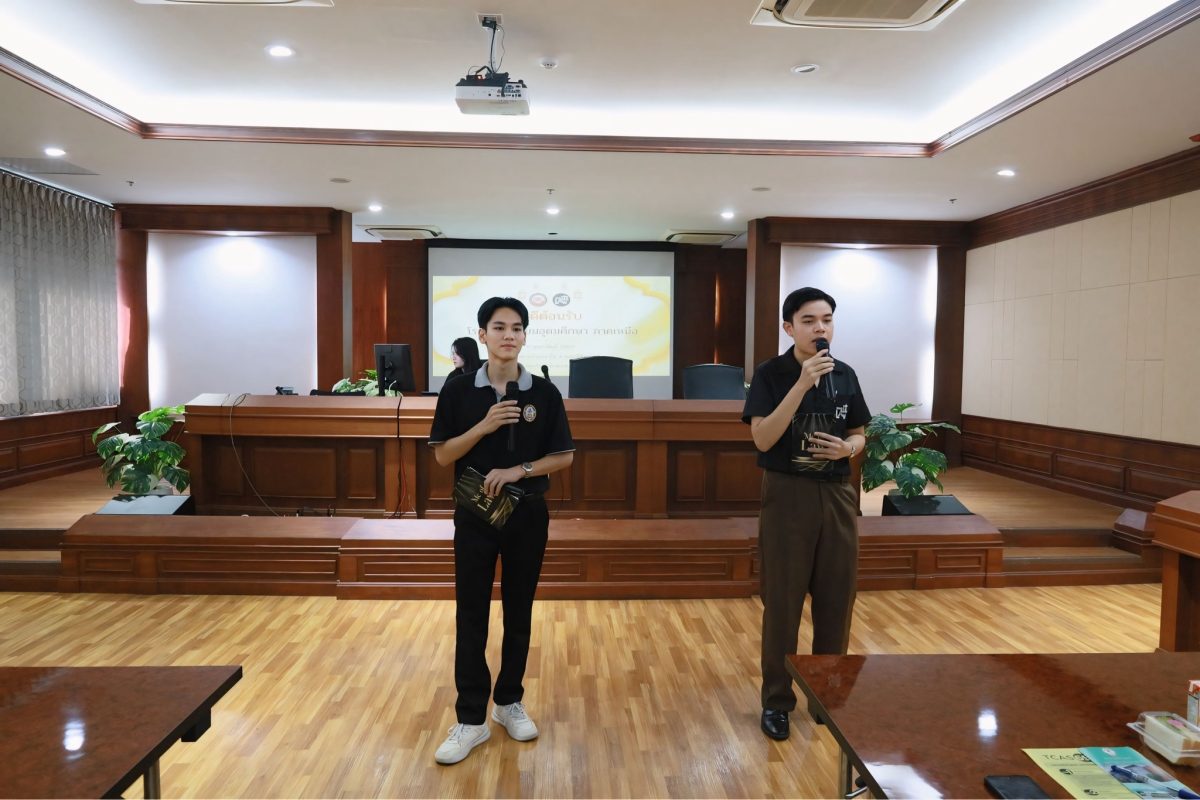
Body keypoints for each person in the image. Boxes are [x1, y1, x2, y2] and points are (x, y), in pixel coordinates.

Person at [427, 296, 575, 765]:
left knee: (519, 609)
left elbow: (564, 456)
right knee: (471, 613)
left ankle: (509, 701)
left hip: (526, 515)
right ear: (482, 334)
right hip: (474, 515)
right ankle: (471, 718)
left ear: (525, 336)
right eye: (499, 327)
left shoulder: (544, 393)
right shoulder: (457, 390)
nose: (508, 335)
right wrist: (483, 426)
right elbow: (443, 455)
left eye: (516, 328)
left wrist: (519, 470)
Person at [741, 286, 870, 741]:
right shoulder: (771, 374)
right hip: (787, 494)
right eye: (810, 321)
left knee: (837, 599)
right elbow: (762, 438)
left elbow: (859, 432)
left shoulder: (845, 374)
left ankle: (826, 697)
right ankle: (777, 701)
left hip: (836, 493)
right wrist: (801, 384)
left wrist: (847, 448)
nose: (821, 329)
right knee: (783, 603)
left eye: (827, 320)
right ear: (789, 327)